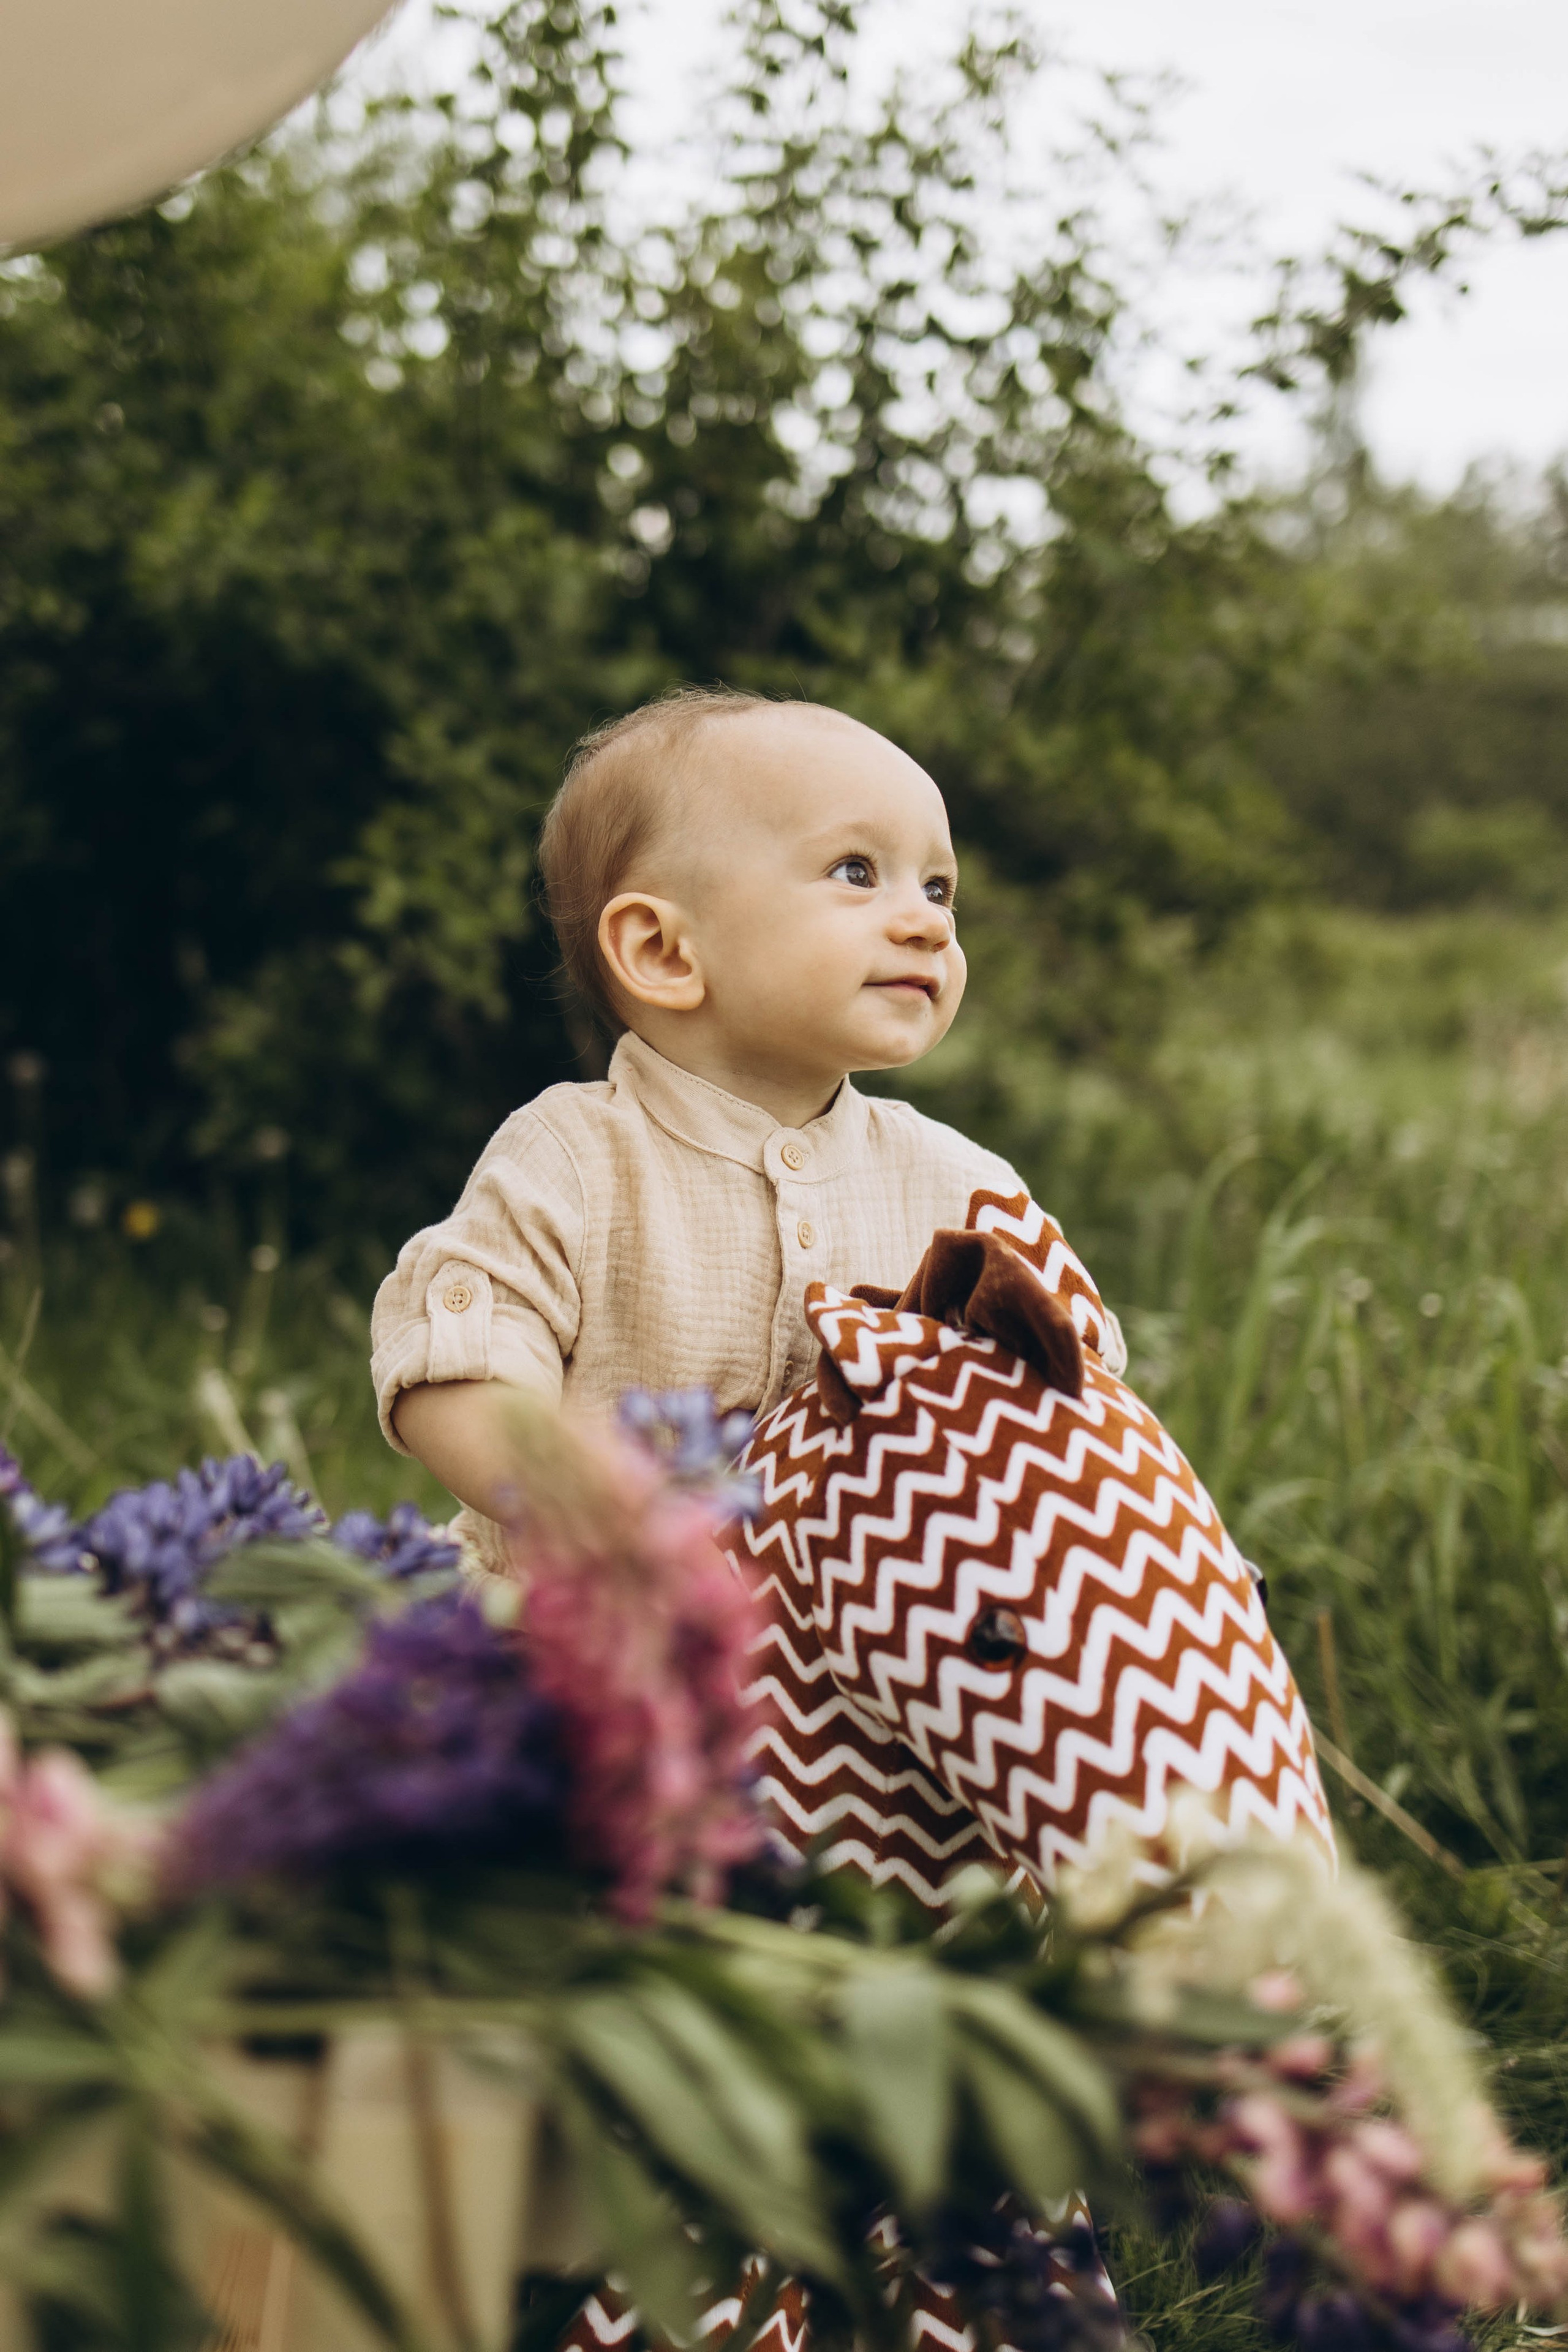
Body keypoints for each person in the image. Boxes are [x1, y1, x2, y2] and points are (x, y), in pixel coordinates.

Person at [371, 682, 1124, 1557]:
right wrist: (592, 1504)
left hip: (863, 1630)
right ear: (663, 951)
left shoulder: (967, 1191)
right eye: (857, 872)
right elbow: (458, 1373)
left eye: (938, 887)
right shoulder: (574, 1158)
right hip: (579, 1618)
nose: (928, 923)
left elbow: (1082, 1406)